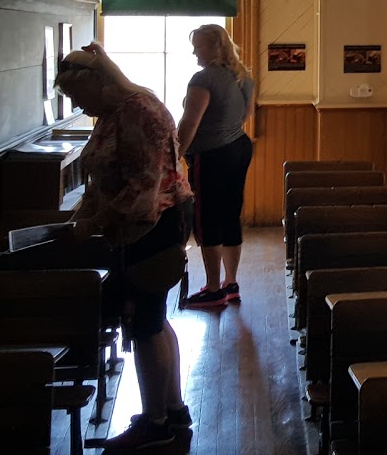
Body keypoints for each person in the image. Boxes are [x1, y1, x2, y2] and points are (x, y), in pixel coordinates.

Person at [57, 43, 193, 449]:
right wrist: (86, 211)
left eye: (76, 94)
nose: (75, 104)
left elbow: (142, 188)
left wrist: (96, 221)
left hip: (151, 228)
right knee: (155, 321)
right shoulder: (115, 111)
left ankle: (155, 424)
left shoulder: (137, 111)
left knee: (146, 326)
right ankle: (172, 411)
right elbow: (105, 176)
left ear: (97, 83)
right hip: (141, 228)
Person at [176, 24, 256, 308]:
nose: (195, 53)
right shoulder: (243, 77)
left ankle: (213, 289)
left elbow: (190, 122)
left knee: (207, 218)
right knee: (230, 214)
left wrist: (174, 156)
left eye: (198, 47)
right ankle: (230, 283)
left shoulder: (204, 79)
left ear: (215, 47)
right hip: (239, 148)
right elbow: (246, 115)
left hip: (210, 154)